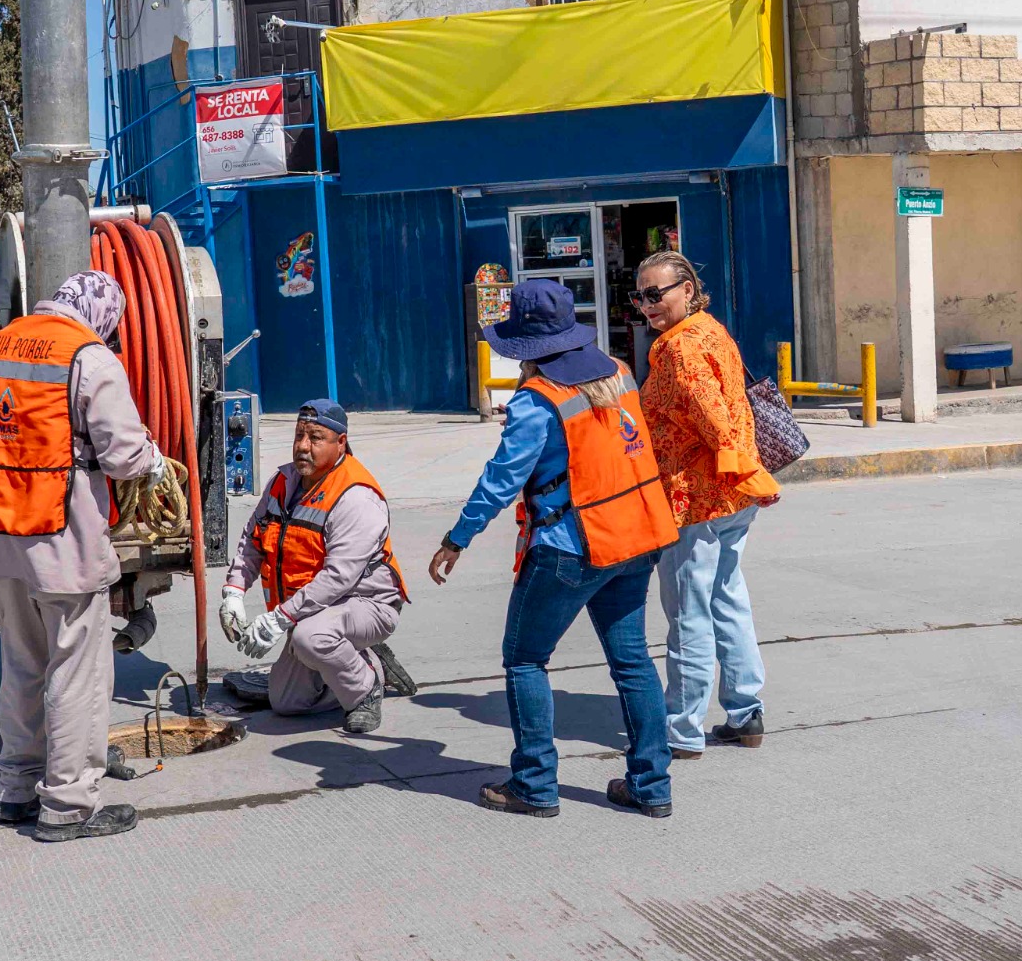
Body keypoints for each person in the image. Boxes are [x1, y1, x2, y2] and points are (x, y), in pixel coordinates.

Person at [428, 280, 678, 819]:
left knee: (525, 659)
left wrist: (457, 539)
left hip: (570, 548)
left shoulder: (538, 400)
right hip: (635, 537)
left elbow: (501, 480)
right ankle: (652, 785)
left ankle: (535, 784)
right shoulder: (619, 372)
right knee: (632, 662)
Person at [0, 270, 169, 842]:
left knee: (22, 665)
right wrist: (154, 462)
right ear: (102, 315)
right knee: (77, 671)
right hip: (59, 539)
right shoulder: (90, 357)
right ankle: (69, 804)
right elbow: (123, 456)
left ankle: (16, 789)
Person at [633, 251, 780, 759]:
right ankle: (745, 712)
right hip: (730, 496)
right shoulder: (711, 330)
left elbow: (713, 415)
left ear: (688, 289)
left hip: (695, 498)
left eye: (656, 294)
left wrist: (739, 464)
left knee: (689, 613)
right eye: (640, 296)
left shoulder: (679, 346)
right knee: (727, 598)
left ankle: (682, 727)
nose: (647, 305)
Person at [220, 399, 412, 734]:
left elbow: (338, 578)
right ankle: (361, 660)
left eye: (316, 438)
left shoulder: (356, 496)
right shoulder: (283, 482)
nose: (303, 446)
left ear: (341, 442)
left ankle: (366, 690)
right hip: (311, 610)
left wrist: (280, 619)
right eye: (299, 435)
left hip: (367, 604)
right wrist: (234, 591)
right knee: (286, 702)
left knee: (311, 638)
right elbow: (253, 538)